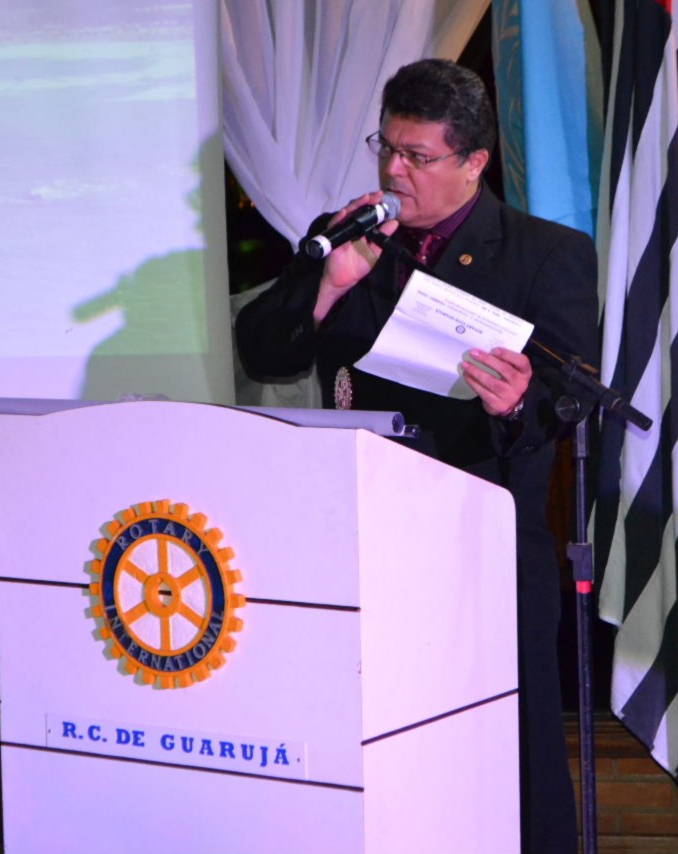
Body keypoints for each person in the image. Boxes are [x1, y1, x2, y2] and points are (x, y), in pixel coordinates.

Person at [235, 58, 597, 854]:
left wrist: (515, 402)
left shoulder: (544, 253)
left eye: (418, 156)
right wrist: (328, 285)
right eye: (387, 149)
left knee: (508, 758)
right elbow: (262, 350)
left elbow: (567, 399)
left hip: (483, 550)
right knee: (375, 751)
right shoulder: (355, 234)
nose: (395, 172)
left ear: (474, 162)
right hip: (361, 542)